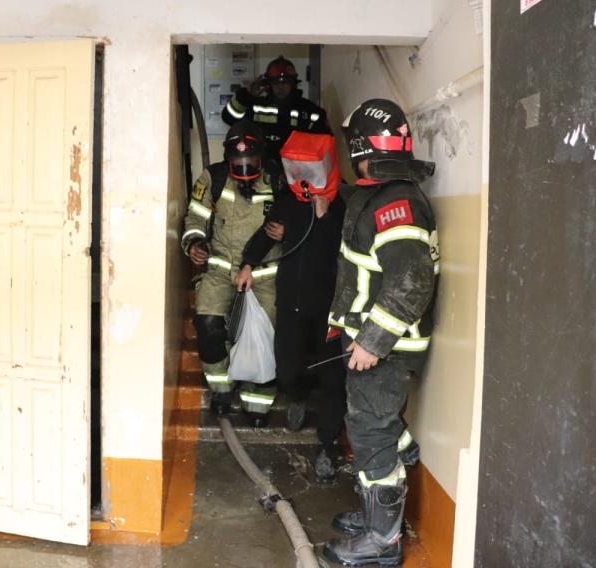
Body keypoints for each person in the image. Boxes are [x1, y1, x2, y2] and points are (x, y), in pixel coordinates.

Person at [323, 99, 440, 566]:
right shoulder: (382, 194)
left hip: (385, 347)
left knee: (371, 431)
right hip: (373, 340)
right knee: (370, 423)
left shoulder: (396, 203)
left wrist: (373, 340)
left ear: (358, 149)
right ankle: (377, 512)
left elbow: (412, 280)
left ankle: (382, 542)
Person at [236, 131, 348, 482]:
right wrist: (248, 263)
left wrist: (324, 216)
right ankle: (297, 396)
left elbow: (345, 249)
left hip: (329, 307)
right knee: (287, 367)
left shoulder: (342, 204)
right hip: (291, 302)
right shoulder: (287, 201)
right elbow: (265, 234)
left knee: (332, 377)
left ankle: (327, 444)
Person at [181, 120, 280, 428]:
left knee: (265, 335)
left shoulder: (278, 178)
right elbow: (195, 216)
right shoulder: (214, 178)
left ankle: (257, 400)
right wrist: (195, 243)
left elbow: (296, 216)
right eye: (238, 162)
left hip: (265, 274)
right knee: (208, 324)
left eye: (250, 161)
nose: (244, 168)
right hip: (221, 269)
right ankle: (222, 389)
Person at [222, 56, 331, 162]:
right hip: (262, 168)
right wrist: (246, 96)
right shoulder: (256, 106)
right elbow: (229, 117)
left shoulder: (309, 110)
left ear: (293, 84)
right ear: (269, 84)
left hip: (296, 169)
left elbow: (325, 142)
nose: (280, 87)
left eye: (285, 82)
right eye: (276, 82)